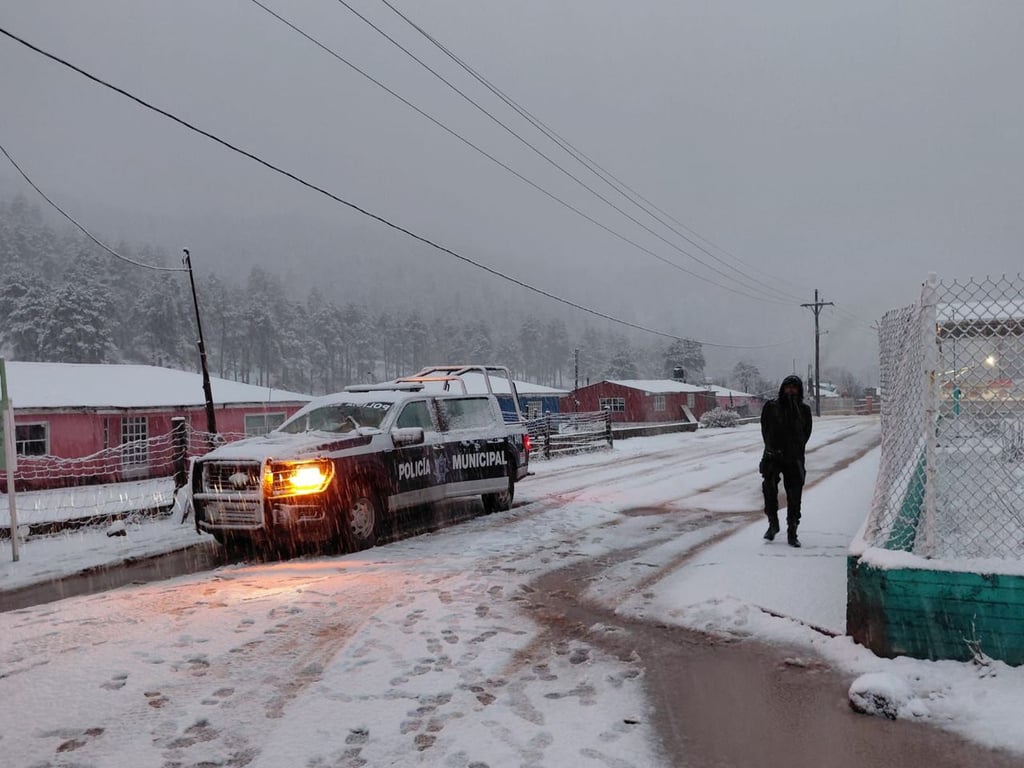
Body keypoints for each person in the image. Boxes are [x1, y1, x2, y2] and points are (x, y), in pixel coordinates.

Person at [759, 375, 813, 547]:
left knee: (794, 496)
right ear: (782, 388)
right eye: (787, 387)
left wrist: (795, 449)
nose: (790, 390)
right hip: (772, 456)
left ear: (799, 390)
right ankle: (773, 524)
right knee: (769, 490)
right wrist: (771, 448)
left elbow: (806, 433)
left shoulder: (804, 410)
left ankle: (792, 531)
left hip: (794, 458)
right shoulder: (771, 407)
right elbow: (764, 429)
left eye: (794, 387)